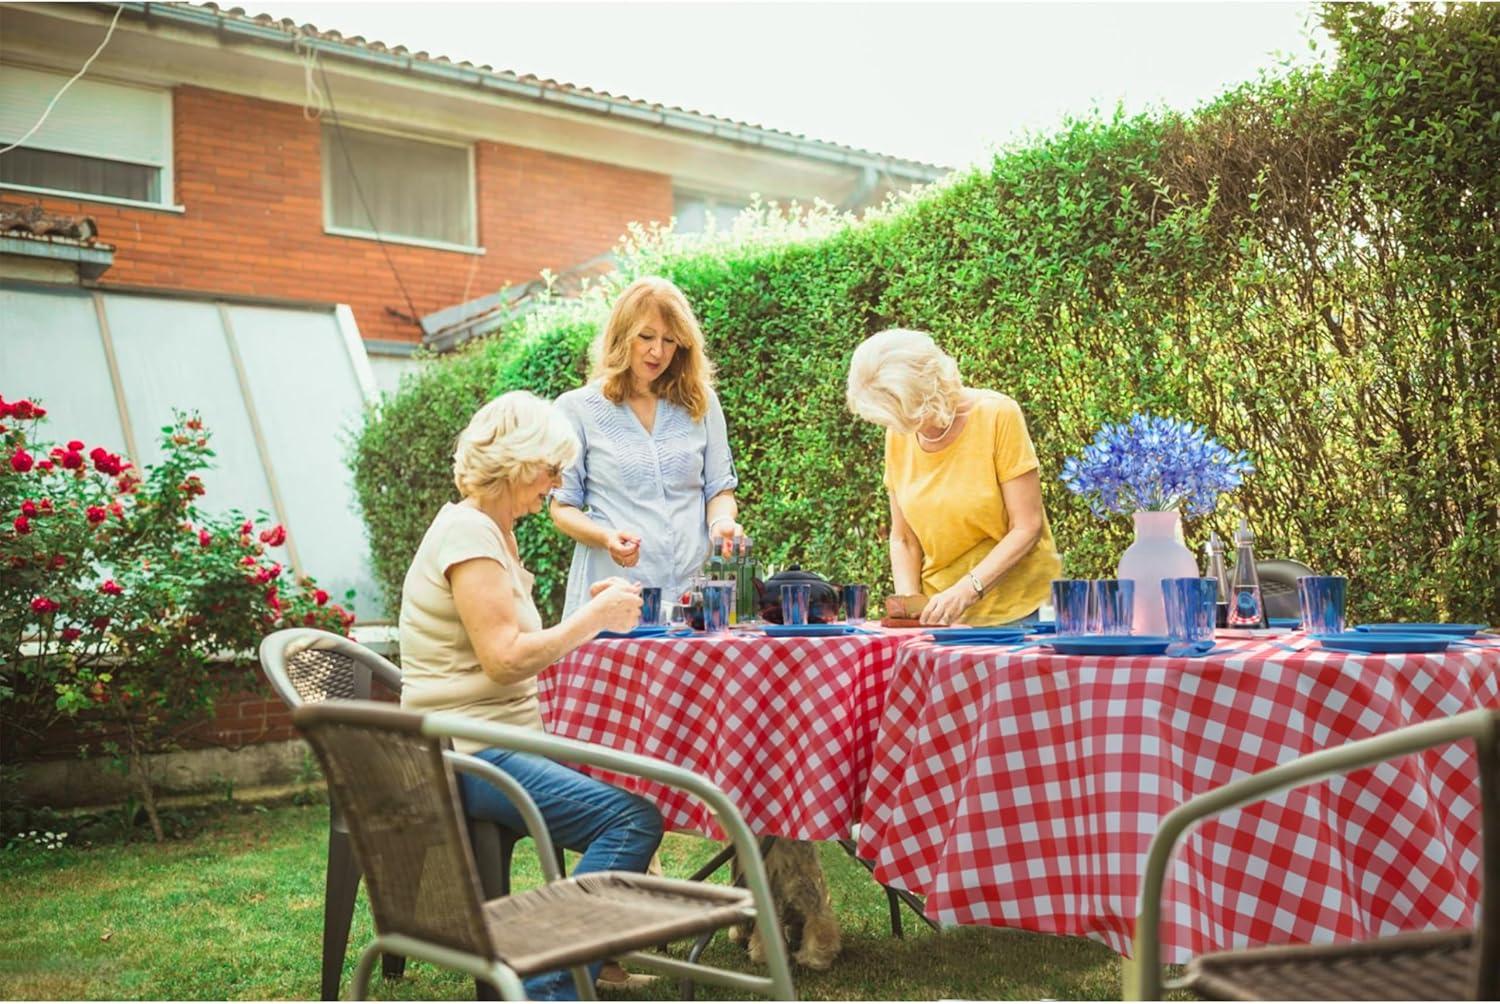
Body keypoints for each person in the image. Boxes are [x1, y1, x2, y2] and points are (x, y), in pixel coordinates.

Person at [398, 390, 659, 1000]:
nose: (556, 483)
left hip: (490, 742)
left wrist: (588, 615)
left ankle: (593, 960)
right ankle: (545, 987)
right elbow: (505, 658)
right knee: (630, 819)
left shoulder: (490, 531)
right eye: (551, 469)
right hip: (469, 753)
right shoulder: (469, 536)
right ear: (517, 462)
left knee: (628, 782)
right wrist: (592, 619)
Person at [551, 276, 744, 614]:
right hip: (613, 593)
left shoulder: (701, 403)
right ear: (621, 335)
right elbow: (561, 508)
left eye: (670, 341)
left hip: (693, 596)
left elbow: (719, 492)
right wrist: (606, 538)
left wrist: (721, 525)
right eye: (646, 337)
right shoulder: (576, 409)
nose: (658, 351)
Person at [845, 328, 1062, 626]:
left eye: (910, 415)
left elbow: (1027, 526)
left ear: (928, 389)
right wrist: (912, 609)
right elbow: (904, 538)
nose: (906, 427)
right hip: (941, 618)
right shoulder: (899, 434)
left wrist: (967, 590)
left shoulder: (998, 415)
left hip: (1019, 612)